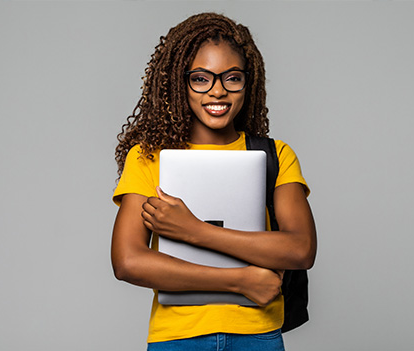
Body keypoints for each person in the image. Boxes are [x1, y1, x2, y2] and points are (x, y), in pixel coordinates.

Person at [111, 12, 317, 351]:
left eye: (232, 78)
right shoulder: (148, 157)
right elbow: (128, 261)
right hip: (177, 338)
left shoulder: (276, 156)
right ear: (180, 82)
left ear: (248, 83)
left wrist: (194, 230)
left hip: (258, 336)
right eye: (201, 79)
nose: (217, 91)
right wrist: (239, 281)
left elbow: (301, 248)